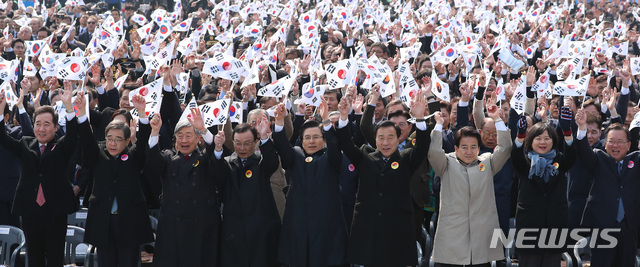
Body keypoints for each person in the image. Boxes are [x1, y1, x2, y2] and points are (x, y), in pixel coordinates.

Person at [336, 90, 430, 267]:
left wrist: (419, 118)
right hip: (368, 227)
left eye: (390, 138)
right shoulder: (365, 155)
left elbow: (423, 146)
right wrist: (343, 118)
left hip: (397, 228)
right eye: (381, 138)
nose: (385, 143)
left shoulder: (407, 158)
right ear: (375, 140)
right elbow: (346, 144)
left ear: (398, 138)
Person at [0, 81, 79, 267]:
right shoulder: (26, 144)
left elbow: (74, 134)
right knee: (33, 258)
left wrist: (69, 106)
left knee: (54, 258)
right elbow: (2, 137)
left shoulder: (61, 147)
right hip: (30, 210)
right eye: (38, 124)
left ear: (55, 127)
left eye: (46, 124)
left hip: (55, 211)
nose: (41, 129)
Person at [428, 102, 511, 267]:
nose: (469, 151)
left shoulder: (487, 163)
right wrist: (438, 125)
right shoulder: (446, 163)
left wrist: (496, 119)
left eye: (473, 147)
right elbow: (434, 152)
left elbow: (505, 148)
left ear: (479, 148)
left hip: (480, 242)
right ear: (456, 148)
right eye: (464, 147)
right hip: (452, 241)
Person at [80, 92, 154, 266]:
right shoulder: (98, 155)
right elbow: (86, 139)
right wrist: (81, 113)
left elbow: (143, 141)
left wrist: (142, 114)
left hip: (129, 221)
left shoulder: (134, 156)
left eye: (118, 140)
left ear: (127, 140)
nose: (112, 144)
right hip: (103, 221)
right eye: (109, 139)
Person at [272, 102, 348, 267]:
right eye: (307, 137)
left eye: (316, 137)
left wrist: (326, 120)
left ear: (324, 140)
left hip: (327, 226)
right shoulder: (296, 156)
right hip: (297, 226)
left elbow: (335, 147)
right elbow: (283, 147)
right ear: (302, 141)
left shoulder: (331, 158)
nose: (312, 141)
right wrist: (279, 121)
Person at [146, 108, 222, 267]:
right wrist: (155, 131)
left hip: (200, 227)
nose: (184, 140)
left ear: (198, 139)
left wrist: (203, 129)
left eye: (189, 135)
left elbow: (216, 158)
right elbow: (153, 162)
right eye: (180, 136)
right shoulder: (168, 157)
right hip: (173, 227)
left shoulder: (205, 158)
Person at [510, 107, 576, 267]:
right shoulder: (525, 162)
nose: (542, 142)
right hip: (529, 228)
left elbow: (571, 157)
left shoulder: (559, 160)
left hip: (555, 227)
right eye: (538, 138)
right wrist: (519, 136)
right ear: (530, 141)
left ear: (553, 141)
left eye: (547, 138)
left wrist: (567, 132)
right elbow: (516, 157)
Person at [575, 108, 640, 266]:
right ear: (605, 143)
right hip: (602, 227)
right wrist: (582, 127)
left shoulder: (637, 160)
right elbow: (583, 151)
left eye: (620, 142)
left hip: (629, 226)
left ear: (629, 144)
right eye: (611, 141)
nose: (615, 145)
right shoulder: (598, 158)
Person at [213, 118, 281, 267]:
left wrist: (265, 137)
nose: (242, 148)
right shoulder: (227, 164)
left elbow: (272, 162)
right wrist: (218, 149)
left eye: (247, 143)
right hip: (234, 232)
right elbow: (216, 175)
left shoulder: (261, 163)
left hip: (262, 231)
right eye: (238, 143)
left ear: (255, 142)